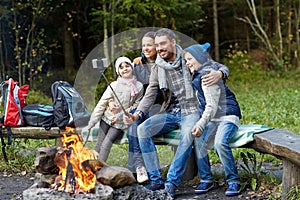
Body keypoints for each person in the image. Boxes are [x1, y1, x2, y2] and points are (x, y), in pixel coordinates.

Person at [124, 28, 227, 199]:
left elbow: (219, 66)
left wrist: (220, 73)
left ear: (173, 42)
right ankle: (156, 179)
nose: (160, 48)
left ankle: (171, 183)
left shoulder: (187, 57)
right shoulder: (159, 66)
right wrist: (138, 114)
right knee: (142, 129)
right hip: (171, 111)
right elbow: (151, 91)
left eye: (163, 43)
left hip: (192, 111)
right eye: (157, 45)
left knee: (187, 134)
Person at [184, 44, 242, 197]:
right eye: (186, 60)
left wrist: (200, 124)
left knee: (220, 143)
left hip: (227, 115)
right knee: (199, 141)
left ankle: (233, 180)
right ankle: (206, 179)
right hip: (214, 118)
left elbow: (211, 106)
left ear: (200, 58)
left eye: (190, 59)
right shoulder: (197, 73)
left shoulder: (207, 76)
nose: (187, 62)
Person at [87, 56, 144, 162]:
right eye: (121, 67)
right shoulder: (114, 85)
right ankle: (91, 168)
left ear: (132, 67)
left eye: (127, 66)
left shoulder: (139, 86)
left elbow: (137, 105)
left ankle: (100, 168)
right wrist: (92, 122)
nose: (125, 69)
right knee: (99, 144)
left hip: (120, 122)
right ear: (118, 72)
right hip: (107, 118)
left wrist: (121, 114)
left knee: (106, 144)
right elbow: (102, 103)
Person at [127, 31, 163, 183]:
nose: (146, 48)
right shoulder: (137, 64)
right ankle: (139, 165)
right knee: (134, 121)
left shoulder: (164, 62)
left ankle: (138, 166)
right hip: (143, 104)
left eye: (149, 45)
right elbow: (129, 86)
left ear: (157, 46)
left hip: (161, 105)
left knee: (141, 122)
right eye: (143, 46)